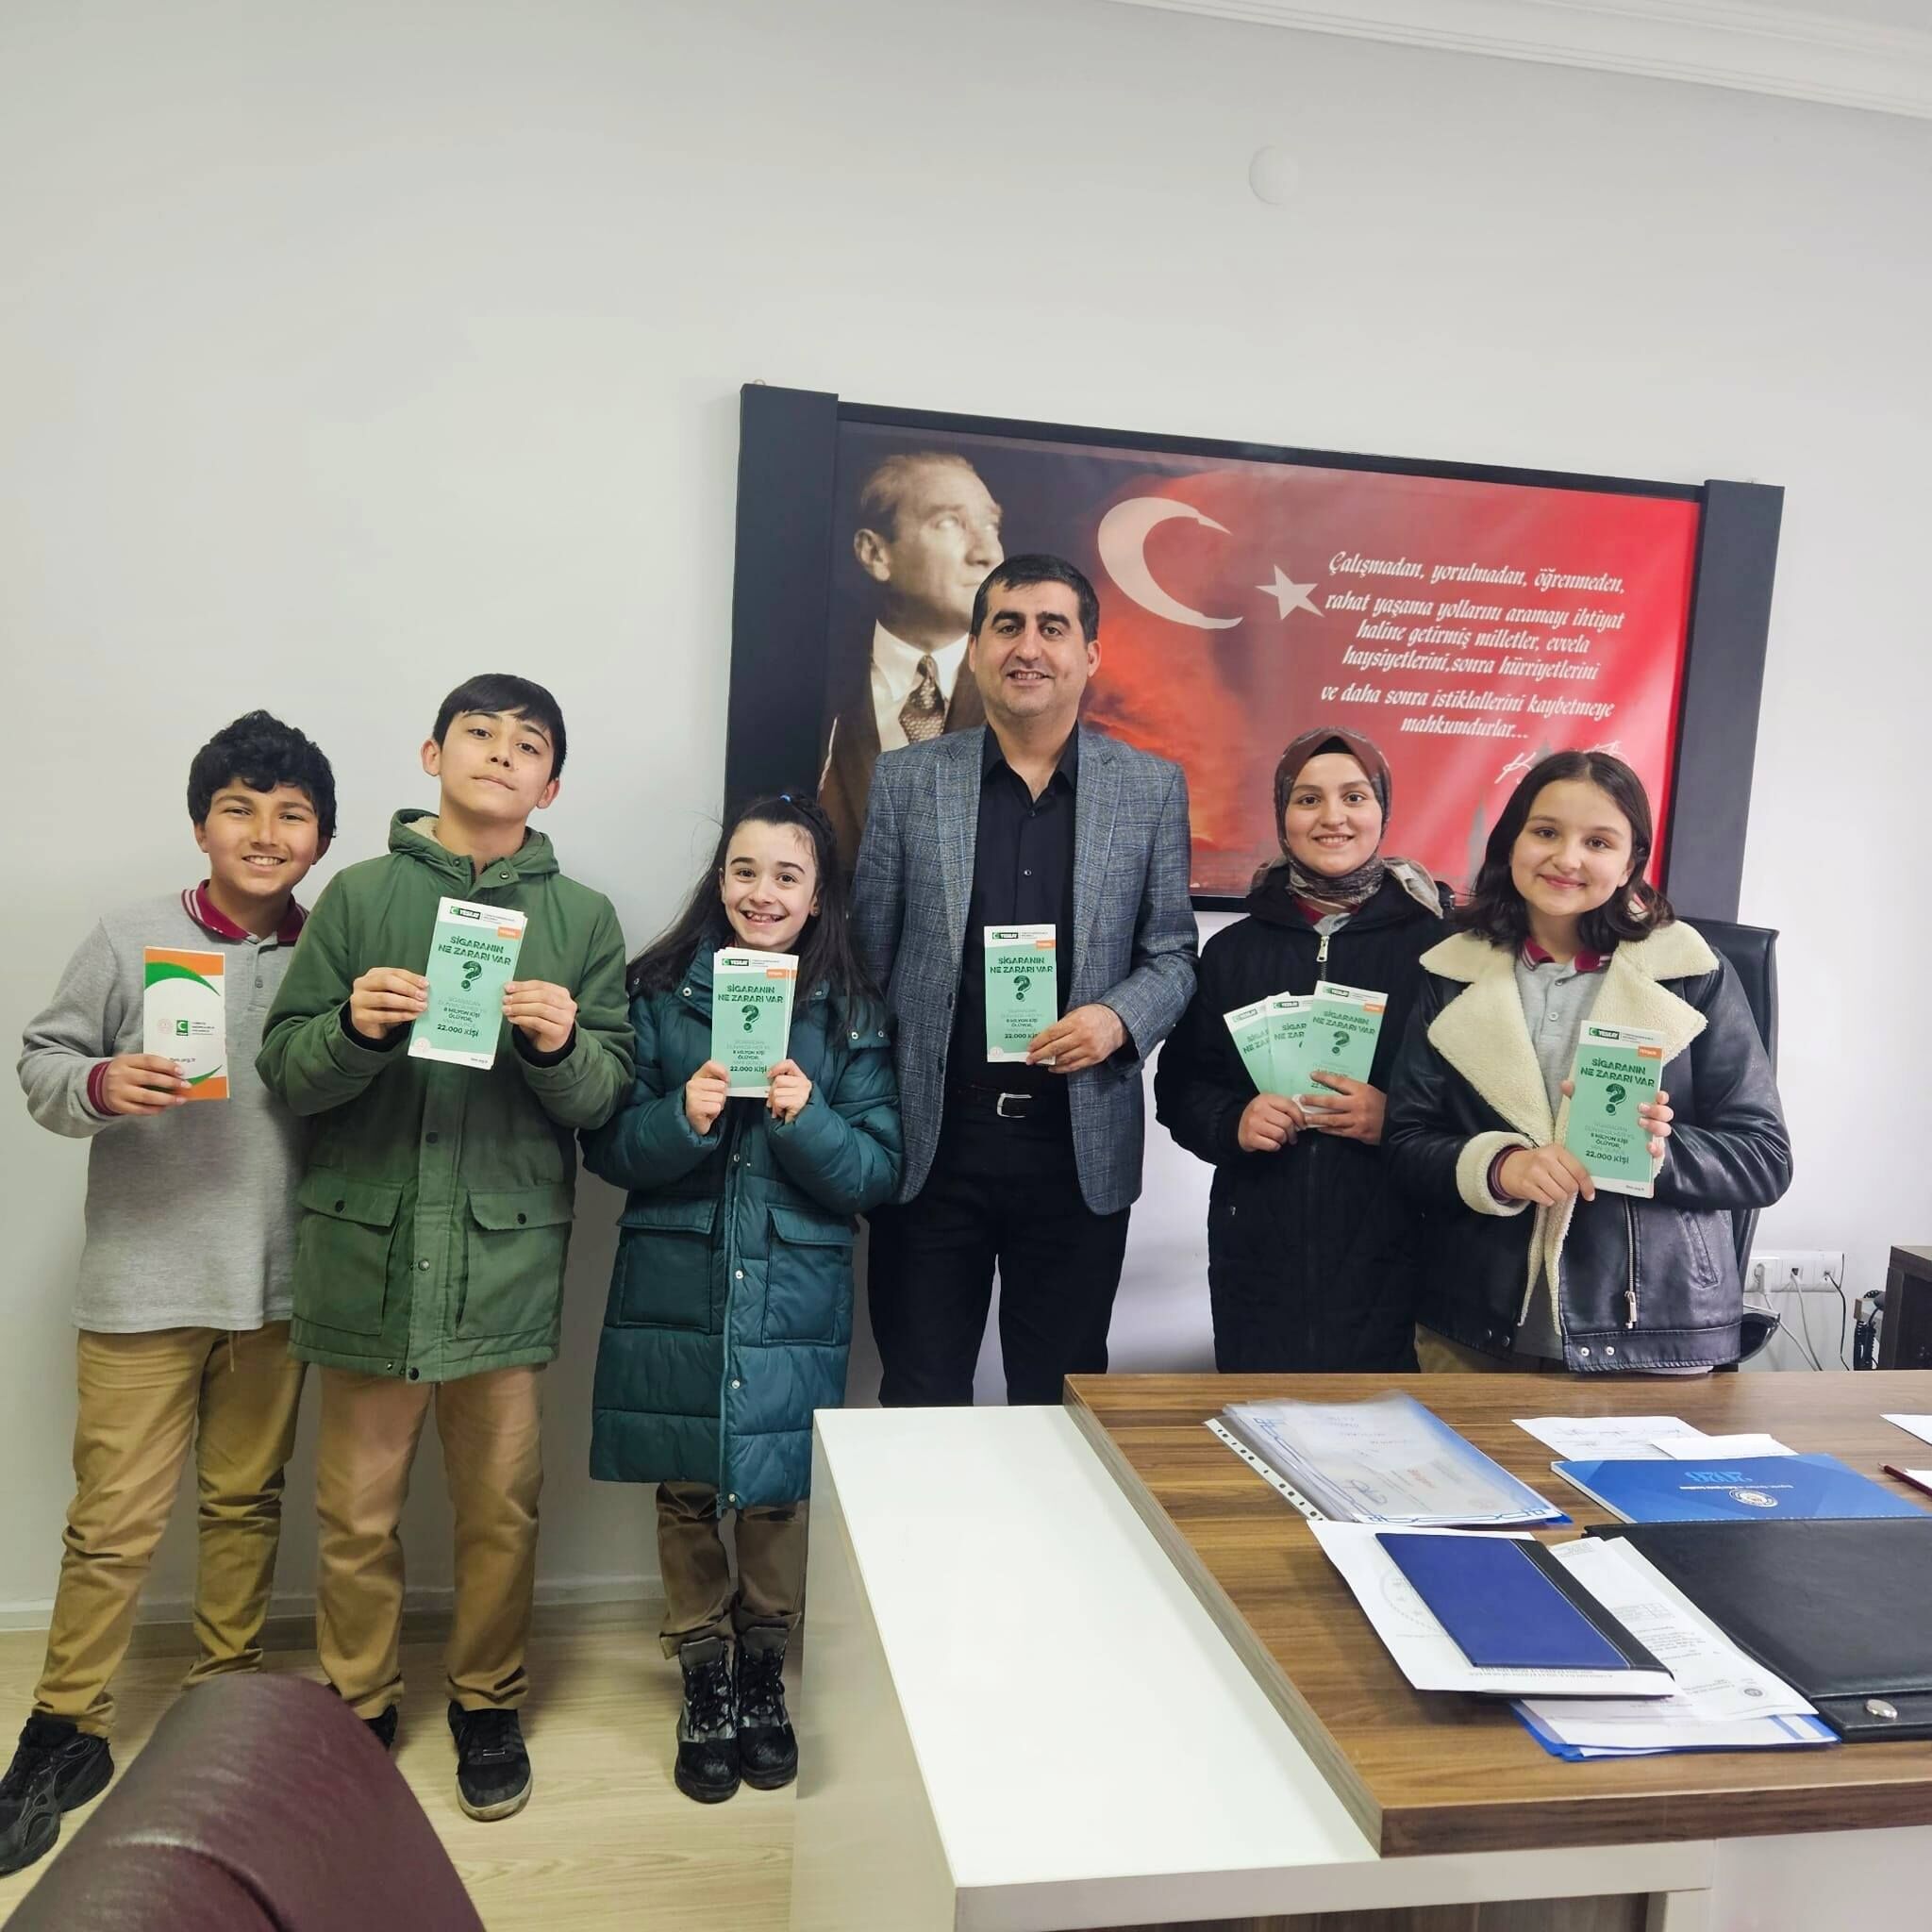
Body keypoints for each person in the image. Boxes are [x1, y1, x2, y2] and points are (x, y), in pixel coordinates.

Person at [257, 674, 632, 1821]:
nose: (501, 753)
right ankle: (358, 1702)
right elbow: (286, 1067)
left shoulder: (584, 918)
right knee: (354, 1512)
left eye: (529, 744)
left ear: (550, 785)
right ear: (432, 754)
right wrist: (352, 1026)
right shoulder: (357, 896)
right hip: (365, 1255)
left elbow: (606, 1095)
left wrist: (563, 1044)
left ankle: (487, 1699)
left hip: (500, 1264)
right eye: (478, 732)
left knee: (500, 1509)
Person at [4, 711, 335, 1878]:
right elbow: (41, 1060)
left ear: (320, 838)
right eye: (239, 807)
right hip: (142, 1279)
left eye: (291, 813)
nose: (265, 831)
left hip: (279, 1281)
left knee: (246, 1501)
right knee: (111, 1521)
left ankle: (219, 1706)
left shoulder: (335, 949)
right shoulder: (128, 933)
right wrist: (101, 1080)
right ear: (202, 825)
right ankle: (64, 1726)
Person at [581, 794, 899, 1806]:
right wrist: (682, 1115)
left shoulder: (852, 1012)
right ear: (720, 881)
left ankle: (764, 1665)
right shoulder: (659, 993)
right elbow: (607, 1145)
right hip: (677, 1275)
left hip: (793, 1286)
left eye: (787, 876)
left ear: (818, 897)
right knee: (684, 1483)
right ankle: (702, 1671)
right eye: (744, 870)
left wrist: (809, 1120)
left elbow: (877, 1171)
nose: (763, 893)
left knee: (775, 1486)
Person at [853, 553, 1197, 1407]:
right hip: (933, 1147)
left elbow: (1172, 954)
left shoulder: (1149, 789)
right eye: (1007, 626)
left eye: (1053, 627)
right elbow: (867, 960)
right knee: (920, 1399)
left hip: (1075, 1149)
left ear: (1090, 654)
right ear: (975, 650)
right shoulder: (907, 781)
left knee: (1058, 1405)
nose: (1028, 647)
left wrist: (1118, 1020)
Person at [1383, 749, 1791, 1374]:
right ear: (1510, 843)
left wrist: (1657, 1152)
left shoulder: (1693, 973)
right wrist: (1499, 1168)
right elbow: (1406, 1140)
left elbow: (1764, 1159)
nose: (1567, 858)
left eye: (1598, 842)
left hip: (1652, 1335)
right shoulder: (1450, 971)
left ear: (1630, 863)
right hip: (1474, 1328)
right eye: (1546, 832)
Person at [1154, 728, 1445, 1372]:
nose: (1332, 817)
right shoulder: (1233, 952)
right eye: (1308, 799)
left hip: (1401, 1251)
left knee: (1391, 1423)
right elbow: (1180, 1090)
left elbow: (1480, 1105)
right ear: (1282, 814)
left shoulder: (1440, 951)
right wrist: (1234, 1121)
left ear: (1383, 811)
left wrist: (1395, 1119)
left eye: (1354, 797)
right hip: (1259, 1256)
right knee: (1260, 1419)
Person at [819, 450, 1002, 872]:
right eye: (949, 522)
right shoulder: (814, 692)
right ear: (875, 554)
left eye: (992, 526)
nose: (988, 553)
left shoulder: (1027, 701)